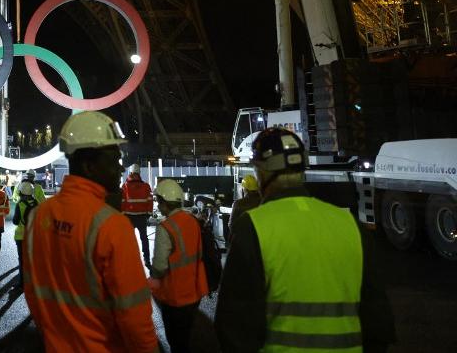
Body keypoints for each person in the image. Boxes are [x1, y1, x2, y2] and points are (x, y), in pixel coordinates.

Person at [215, 128, 395, 352]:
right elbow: (378, 322)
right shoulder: (349, 224)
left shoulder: (252, 226)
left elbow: (234, 326)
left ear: (261, 173)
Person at [24, 111, 158, 352]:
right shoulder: (112, 226)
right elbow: (135, 317)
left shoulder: (39, 216)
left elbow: (32, 291)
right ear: (89, 166)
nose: (120, 168)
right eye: (114, 160)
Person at [150, 179, 208, 353]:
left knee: (176, 341)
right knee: (186, 336)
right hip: (195, 290)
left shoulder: (165, 228)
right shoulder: (192, 221)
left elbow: (159, 267)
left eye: (158, 202)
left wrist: (152, 278)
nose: (158, 206)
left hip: (175, 295)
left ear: (164, 203)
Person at [121, 163, 154, 268]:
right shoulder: (145, 186)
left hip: (129, 217)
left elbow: (122, 202)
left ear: (130, 173)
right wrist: (148, 214)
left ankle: (127, 260)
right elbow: (150, 201)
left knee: (127, 239)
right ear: (139, 173)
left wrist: (122, 214)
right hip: (142, 217)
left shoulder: (125, 186)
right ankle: (147, 260)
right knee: (144, 239)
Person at [11, 181, 38, 286]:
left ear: (21, 192)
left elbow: (15, 221)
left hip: (21, 236)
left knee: (22, 260)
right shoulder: (36, 203)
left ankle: (22, 282)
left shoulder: (20, 204)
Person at [226, 174, 261, 245]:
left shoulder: (238, 204)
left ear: (244, 189)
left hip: (243, 243)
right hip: (260, 241)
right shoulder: (263, 201)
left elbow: (231, 225)